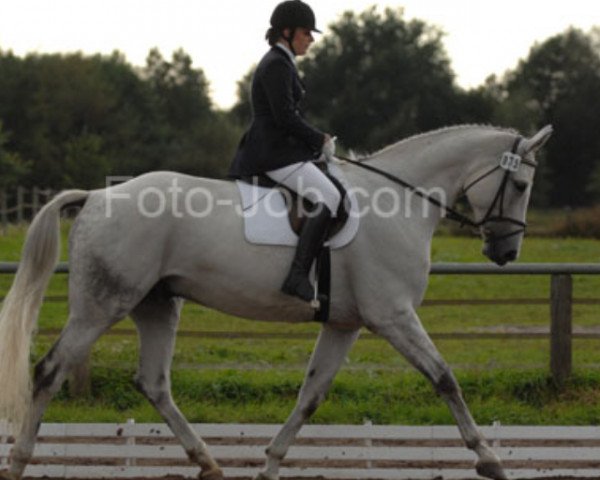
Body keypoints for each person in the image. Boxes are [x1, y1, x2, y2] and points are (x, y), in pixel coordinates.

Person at [229, 0, 341, 305]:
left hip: (280, 150)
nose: (312, 39)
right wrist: (318, 140)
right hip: (273, 154)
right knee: (330, 197)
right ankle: (297, 275)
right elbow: (285, 118)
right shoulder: (277, 64)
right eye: (306, 32)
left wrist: (314, 144)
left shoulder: (281, 62)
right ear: (287, 32)